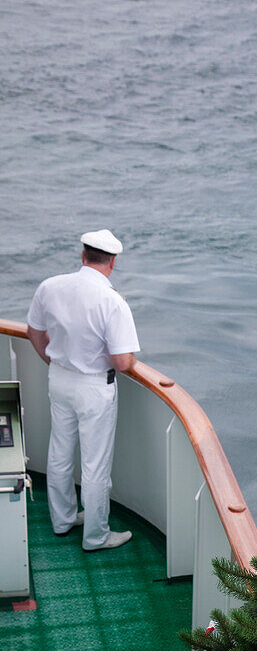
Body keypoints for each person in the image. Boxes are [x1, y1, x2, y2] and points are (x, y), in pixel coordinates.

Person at [27, 229, 140, 550]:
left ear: (83, 255)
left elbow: (34, 331)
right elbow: (122, 361)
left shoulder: (50, 286)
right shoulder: (112, 301)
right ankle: (96, 536)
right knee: (95, 465)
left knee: (59, 454)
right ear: (113, 262)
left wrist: (52, 361)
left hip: (59, 379)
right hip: (94, 388)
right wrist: (132, 359)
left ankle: (62, 520)